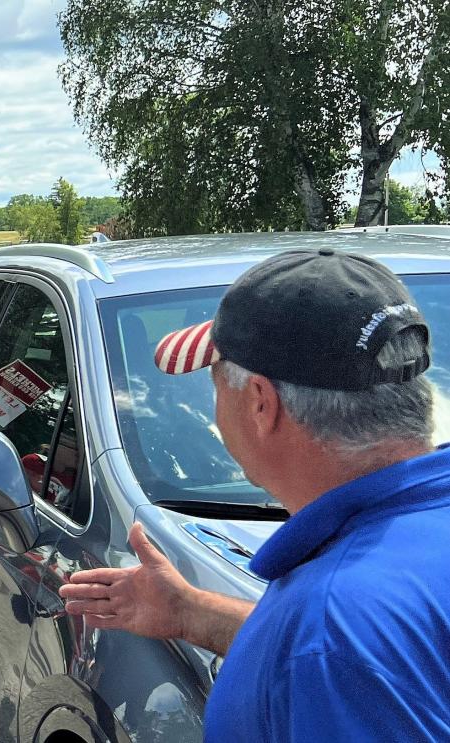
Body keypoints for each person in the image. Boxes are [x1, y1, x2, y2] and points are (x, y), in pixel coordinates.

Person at [58, 248, 450, 741]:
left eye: (215, 383)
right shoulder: (362, 609)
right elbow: (389, 658)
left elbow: (336, 654)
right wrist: (190, 612)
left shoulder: (332, 632)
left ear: (262, 404)